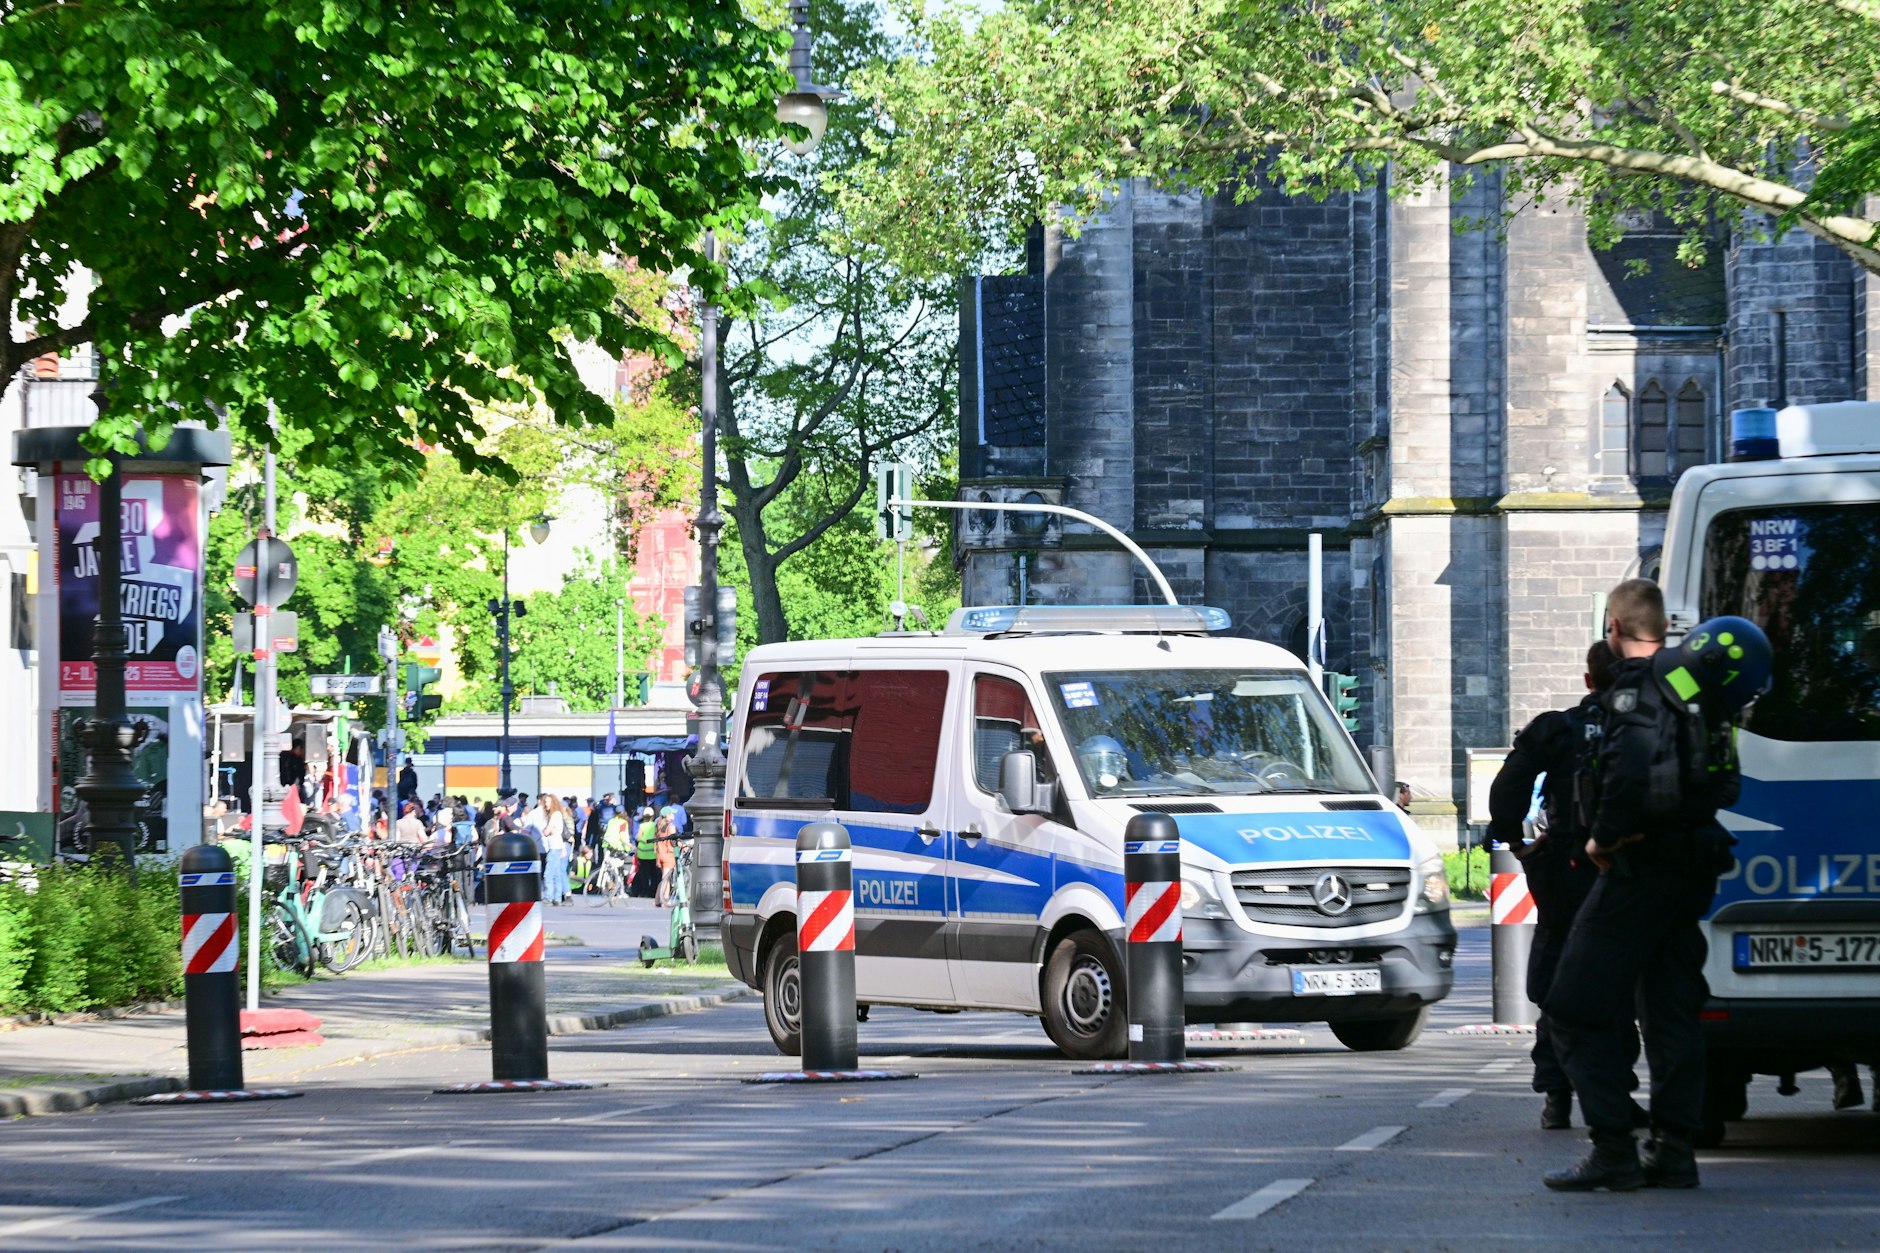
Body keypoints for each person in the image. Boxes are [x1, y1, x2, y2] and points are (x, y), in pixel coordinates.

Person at [1541, 581, 1749, 1193]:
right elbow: (1724, 781)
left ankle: (1612, 1149)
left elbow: (1628, 773)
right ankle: (1674, 1150)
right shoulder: (1694, 684)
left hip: (1641, 867)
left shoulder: (1633, 689)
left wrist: (1603, 836)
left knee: (1572, 1008)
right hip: (1693, 866)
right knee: (1670, 1007)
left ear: (1615, 625)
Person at [1489, 639, 1639, 1131]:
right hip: (1623, 868)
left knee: (1556, 982)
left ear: (1589, 680)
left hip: (1565, 870)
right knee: (1617, 982)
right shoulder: (1641, 722)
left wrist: (1513, 838)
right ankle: (1617, 1091)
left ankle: (1556, 1094)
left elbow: (1510, 782)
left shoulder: (1559, 728)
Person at [633, 805, 659, 897]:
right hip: (652, 853)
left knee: (644, 873)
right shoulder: (655, 825)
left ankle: (644, 891)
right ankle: (653, 892)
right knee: (653, 873)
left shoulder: (642, 825)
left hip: (642, 852)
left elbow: (639, 837)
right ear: (652, 816)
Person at [654, 813, 679, 907]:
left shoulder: (659, 826)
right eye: (671, 814)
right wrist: (682, 845)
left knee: (665, 878)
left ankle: (657, 899)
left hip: (661, 854)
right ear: (667, 815)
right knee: (666, 878)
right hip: (669, 854)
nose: (673, 815)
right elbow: (673, 841)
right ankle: (665, 899)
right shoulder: (671, 827)